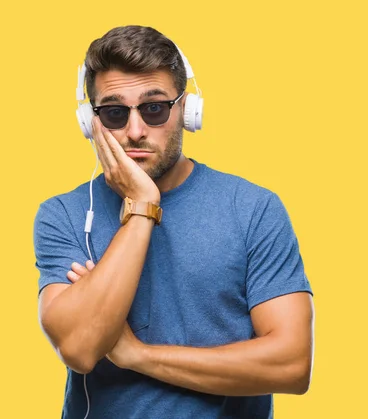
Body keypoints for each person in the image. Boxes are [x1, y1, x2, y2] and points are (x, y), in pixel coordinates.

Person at [33, 25, 314, 419]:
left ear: (186, 110)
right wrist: (142, 205)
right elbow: (80, 348)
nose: (134, 131)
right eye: (114, 113)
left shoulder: (254, 209)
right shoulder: (64, 214)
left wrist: (139, 355)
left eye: (154, 108)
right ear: (90, 122)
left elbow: (291, 366)